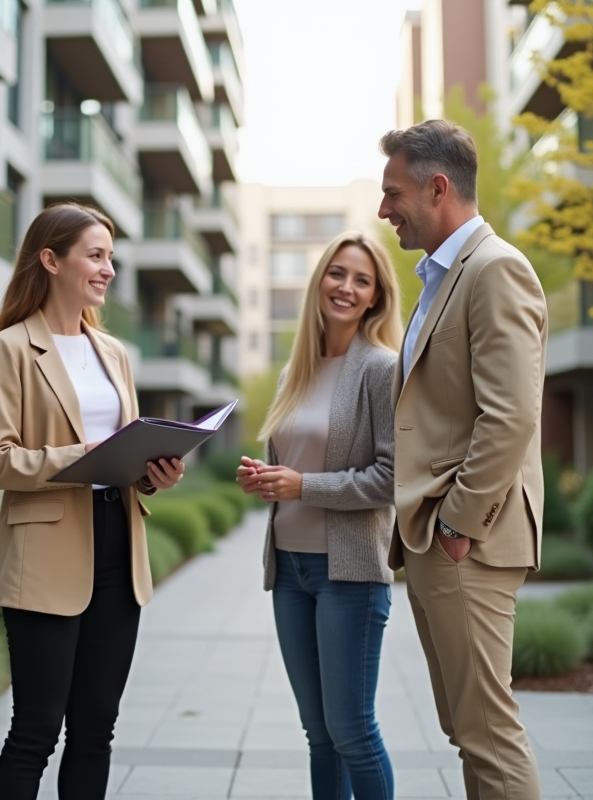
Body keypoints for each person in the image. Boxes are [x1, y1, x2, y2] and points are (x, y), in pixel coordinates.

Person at [0, 202, 185, 800]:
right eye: (95, 256)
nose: (107, 270)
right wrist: (82, 455)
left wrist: (150, 474)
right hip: (44, 555)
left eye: (110, 258)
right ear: (51, 260)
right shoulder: (9, 349)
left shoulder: (113, 352)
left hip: (118, 545)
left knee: (96, 729)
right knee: (35, 730)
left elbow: (123, 456)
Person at [379, 119, 547, 800]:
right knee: (467, 729)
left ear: (437, 187)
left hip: (467, 543)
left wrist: (457, 525)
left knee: (487, 733)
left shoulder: (495, 269)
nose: (384, 209)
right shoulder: (442, 276)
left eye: (393, 193)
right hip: (443, 540)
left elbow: (511, 414)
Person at [237, 231, 403, 800]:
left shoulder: (382, 369)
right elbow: (294, 462)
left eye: (362, 280)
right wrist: (266, 476)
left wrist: (303, 485)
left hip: (349, 575)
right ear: (319, 281)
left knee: (352, 731)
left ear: (376, 297)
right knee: (319, 735)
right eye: (337, 273)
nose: (346, 287)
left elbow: (393, 477)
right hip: (290, 571)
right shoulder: (294, 372)